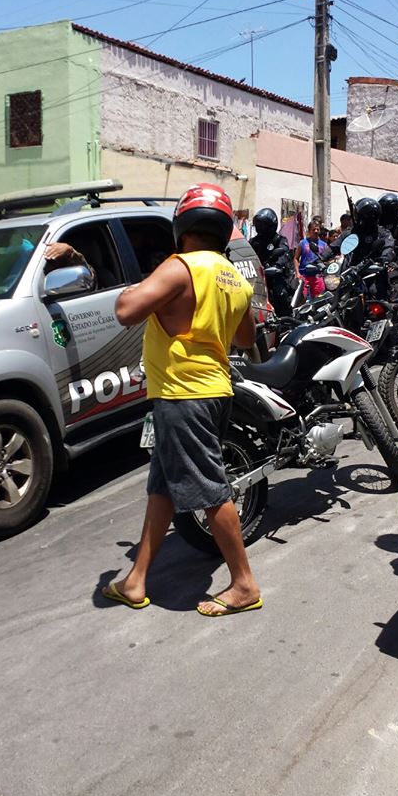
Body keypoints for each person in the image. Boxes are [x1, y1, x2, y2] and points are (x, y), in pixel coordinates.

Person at [102, 183, 262, 618]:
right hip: (215, 391)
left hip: (183, 394)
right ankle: (136, 580)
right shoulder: (232, 275)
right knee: (163, 486)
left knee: (210, 490)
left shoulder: (180, 268)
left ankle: (244, 583)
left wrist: (142, 294)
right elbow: (245, 338)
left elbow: (125, 310)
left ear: (182, 225)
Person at [330, 197, 395, 297]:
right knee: (336, 297)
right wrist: (319, 258)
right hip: (350, 274)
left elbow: (389, 247)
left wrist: (384, 259)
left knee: (376, 296)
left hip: (374, 273)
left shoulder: (382, 233)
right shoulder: (352, 232)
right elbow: (334, 247)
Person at [249, 207, 294, 316]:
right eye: (258, 225)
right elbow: (247, 254)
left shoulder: (280, 240)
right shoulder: (254, 241)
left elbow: (284, 255)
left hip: (275, 277)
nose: (260, 228)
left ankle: (285, 319)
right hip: (257, 278)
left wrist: (277, 265)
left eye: (262, 225)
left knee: (280, 293)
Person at [294, 217, 329, 300]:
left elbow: (327, 260)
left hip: (318, 277)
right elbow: (296, 258)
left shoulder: (324, 245)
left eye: (317, 229)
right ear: (309, 231)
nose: (316, 231)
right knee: (301, 300)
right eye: (313, 229)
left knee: (319, 300)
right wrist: (297, 273)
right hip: (304, 276)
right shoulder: (303, 243)